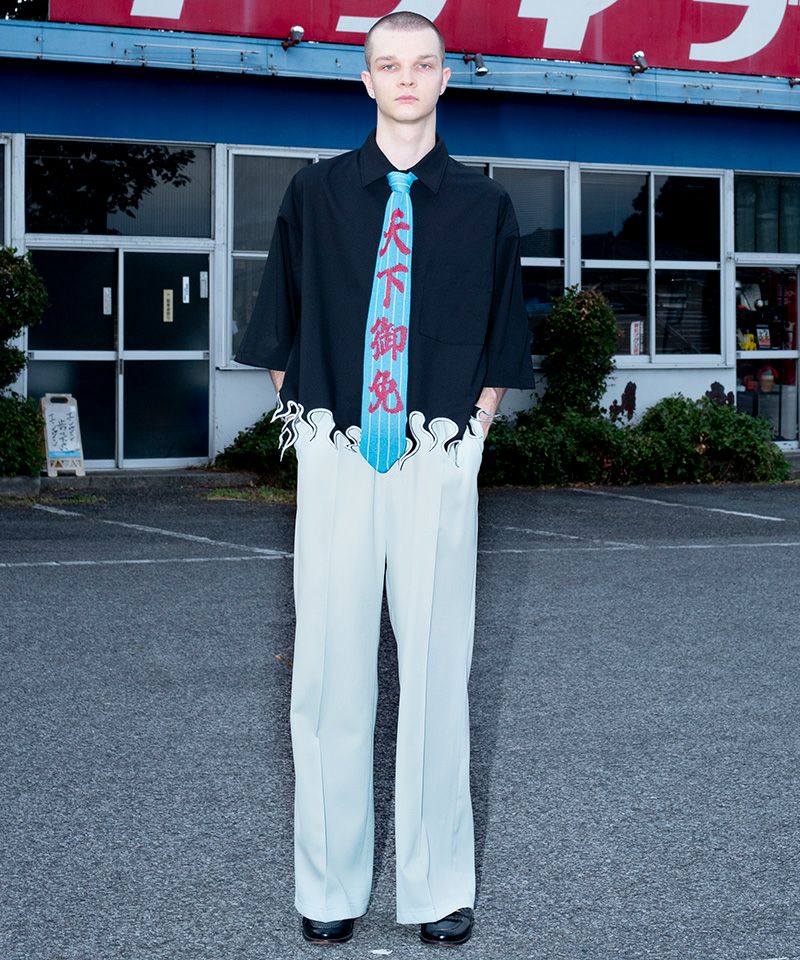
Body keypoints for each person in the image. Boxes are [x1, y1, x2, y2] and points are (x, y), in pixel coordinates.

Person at [235, 10, 534, 946]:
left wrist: (473, 432)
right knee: (328, 674)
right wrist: (319, 430)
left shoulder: (485, 207)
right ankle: (329, 886)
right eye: (389, 64)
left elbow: (501, 339)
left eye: (423, 63)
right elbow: (278, 331)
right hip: (336, 451)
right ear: (366, 80)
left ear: (446, 78)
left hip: (438, 456)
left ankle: (439, 888)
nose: (406, 78)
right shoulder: (315, 194)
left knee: (439, 673)